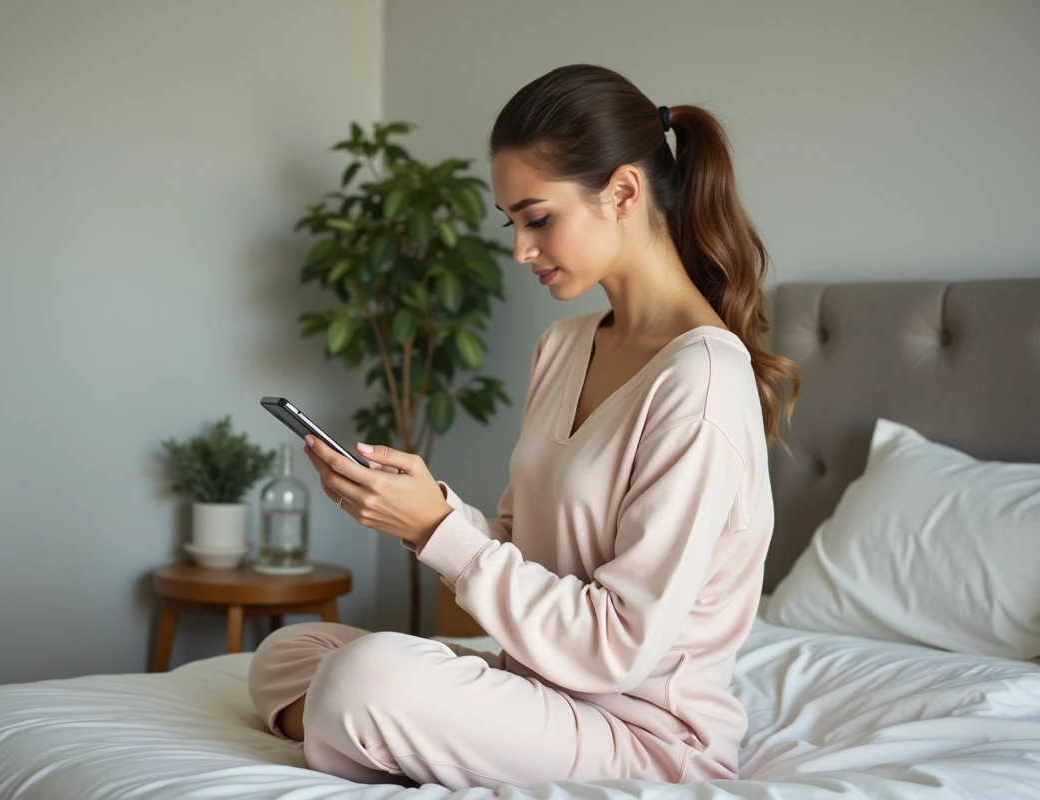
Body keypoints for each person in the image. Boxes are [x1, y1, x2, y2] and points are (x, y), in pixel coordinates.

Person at [247, 63, 803, 791]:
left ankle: (359, 725)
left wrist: (434, 533)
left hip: (641, 736)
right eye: (512, 224)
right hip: (537, 689)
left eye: (538, 218)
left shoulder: (701, 379)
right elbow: (520, 548)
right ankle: (365, 726)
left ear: (624, 192)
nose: (520, 250)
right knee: (290, 652)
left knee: (364, 677)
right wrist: (429, 511)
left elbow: (619, 647)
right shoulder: (565, 346)